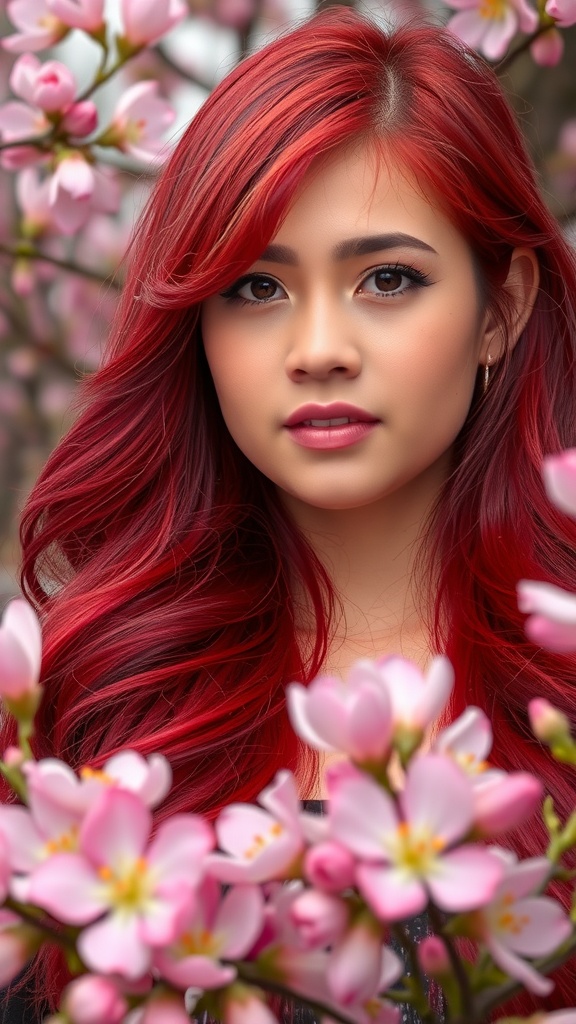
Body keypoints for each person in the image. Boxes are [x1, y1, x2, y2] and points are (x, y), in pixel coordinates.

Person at [3, 7, 576, 1019]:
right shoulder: (81, 698)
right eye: (257, 287)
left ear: (502, 308)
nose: (318, 347)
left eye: (387, 279)